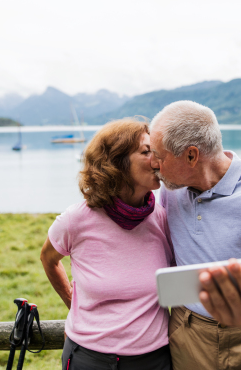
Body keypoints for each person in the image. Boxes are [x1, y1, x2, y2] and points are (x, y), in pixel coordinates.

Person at [149, 100, 241, 370]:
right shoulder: (168, 190)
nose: (153, 163)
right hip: (187, 334)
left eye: (159, 155)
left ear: (191, 156)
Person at [40, 118, 173, 370]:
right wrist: (72, 302)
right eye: (147, 152)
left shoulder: (163, 218)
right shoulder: (75, 220)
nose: (158, 159)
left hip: (155, 359)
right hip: (89, 358)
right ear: (117, 163)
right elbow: (48, 259)